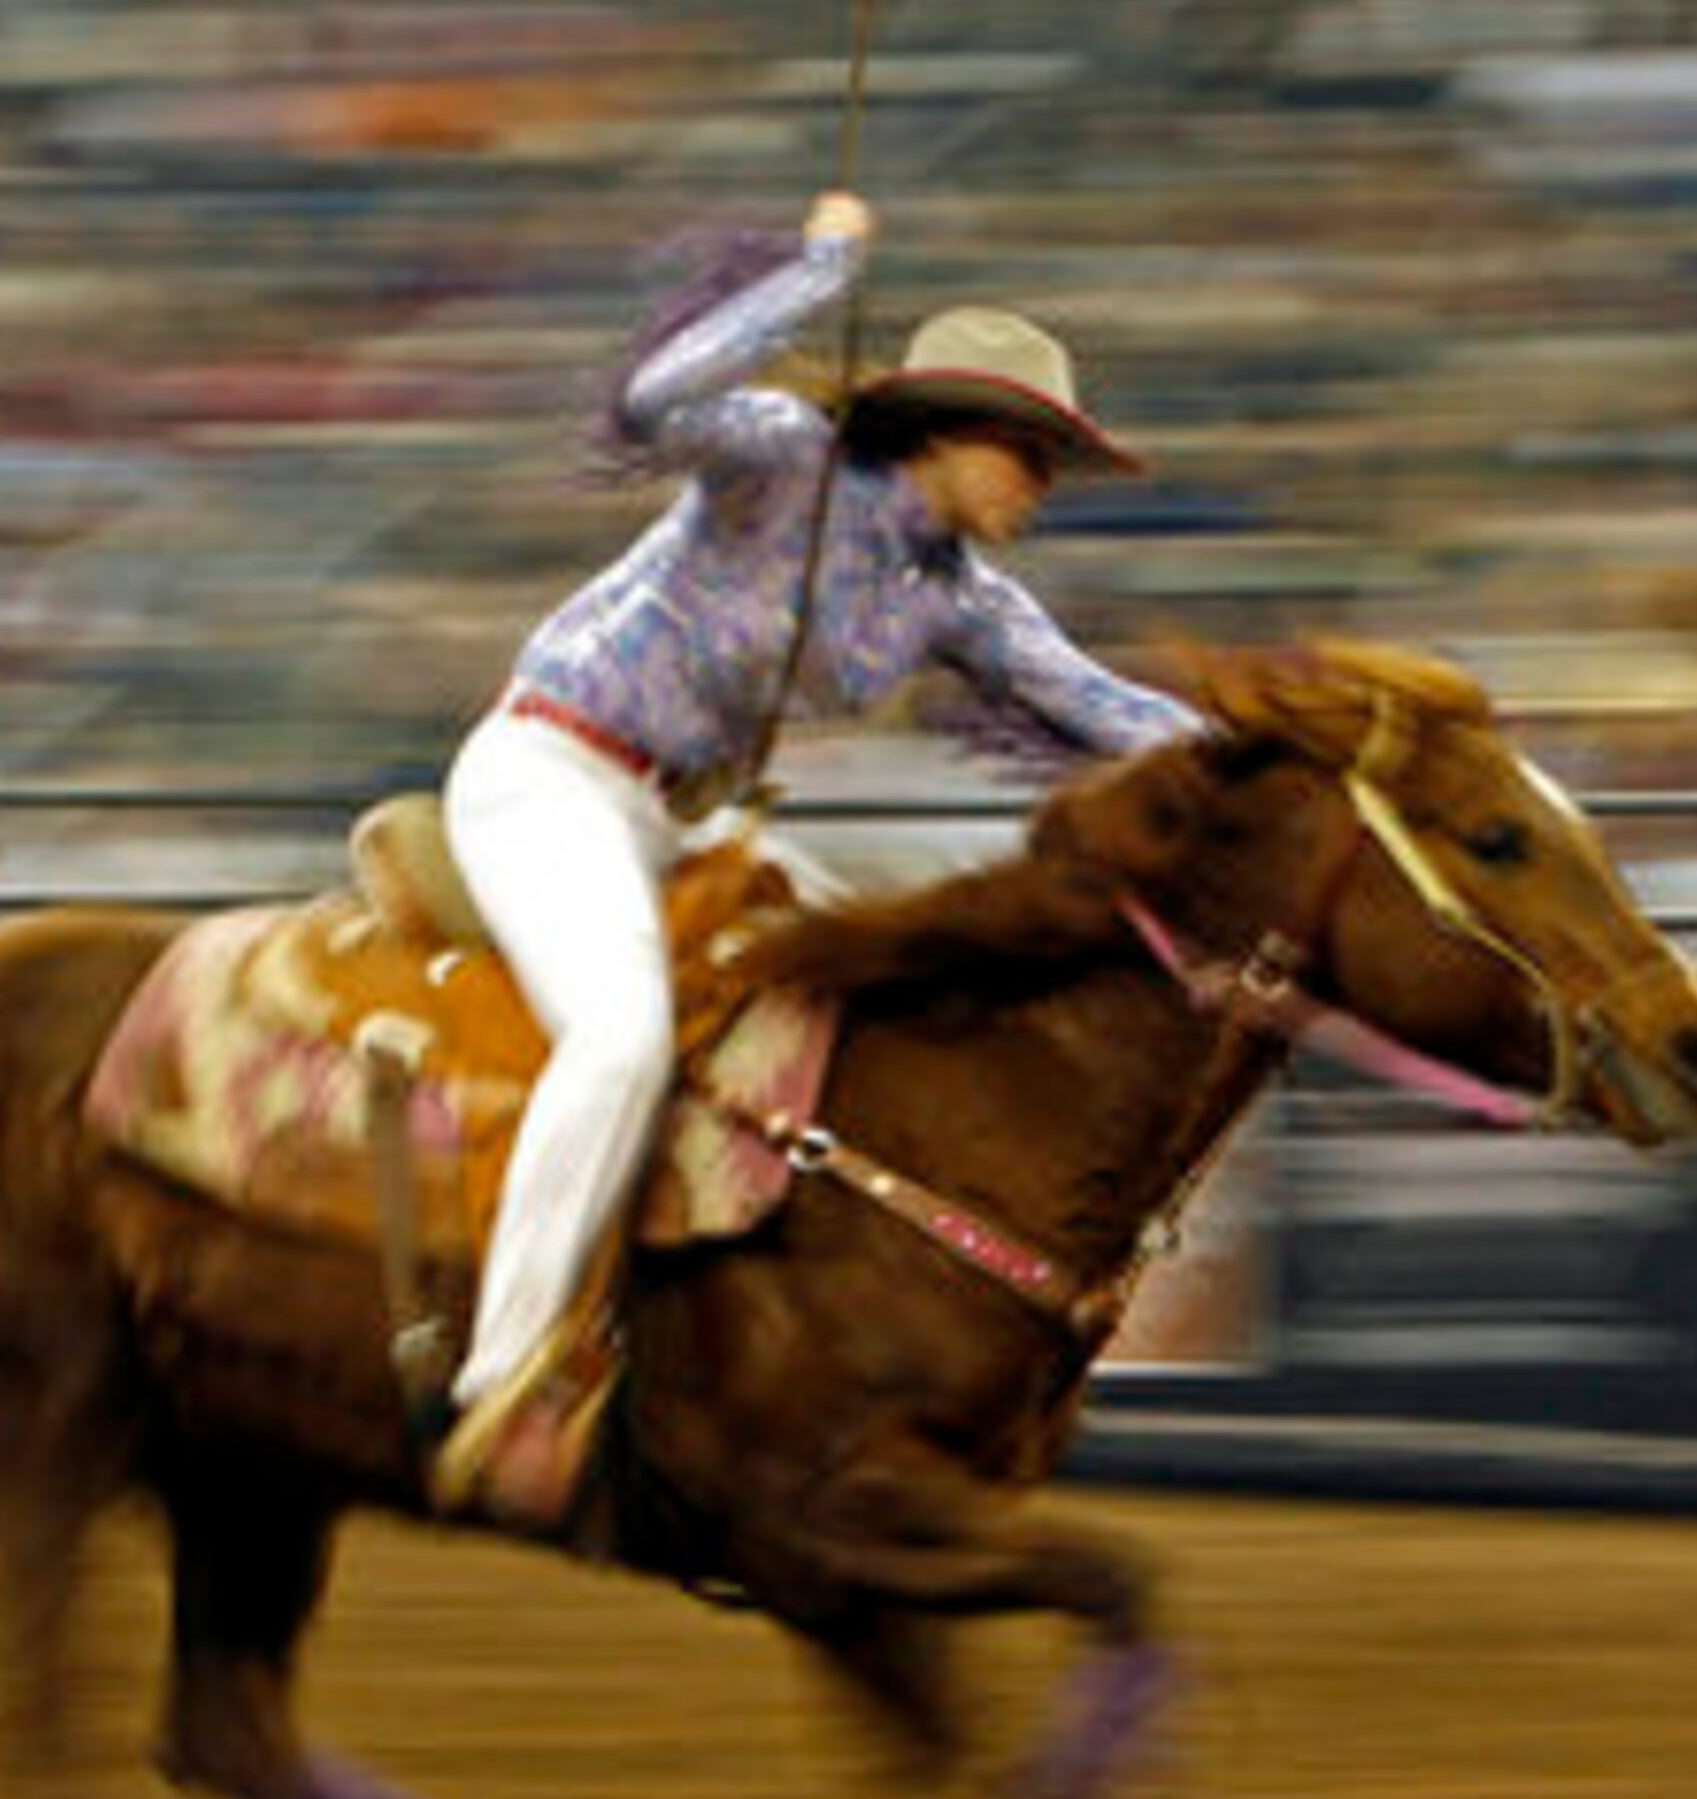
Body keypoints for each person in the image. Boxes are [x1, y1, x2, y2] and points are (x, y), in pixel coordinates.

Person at [428, 187, 1199, 1520]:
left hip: (681, 818)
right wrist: (820, 271)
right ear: (960, 437)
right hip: (548, 774)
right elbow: (664, 396)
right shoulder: (780, 454)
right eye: (1035, 458)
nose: (1043, 490)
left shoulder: (964, 601)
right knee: (619, 1040)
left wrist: (1295, 757)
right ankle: (500, 1375)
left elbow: (1113, 715)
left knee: (869, 1000)